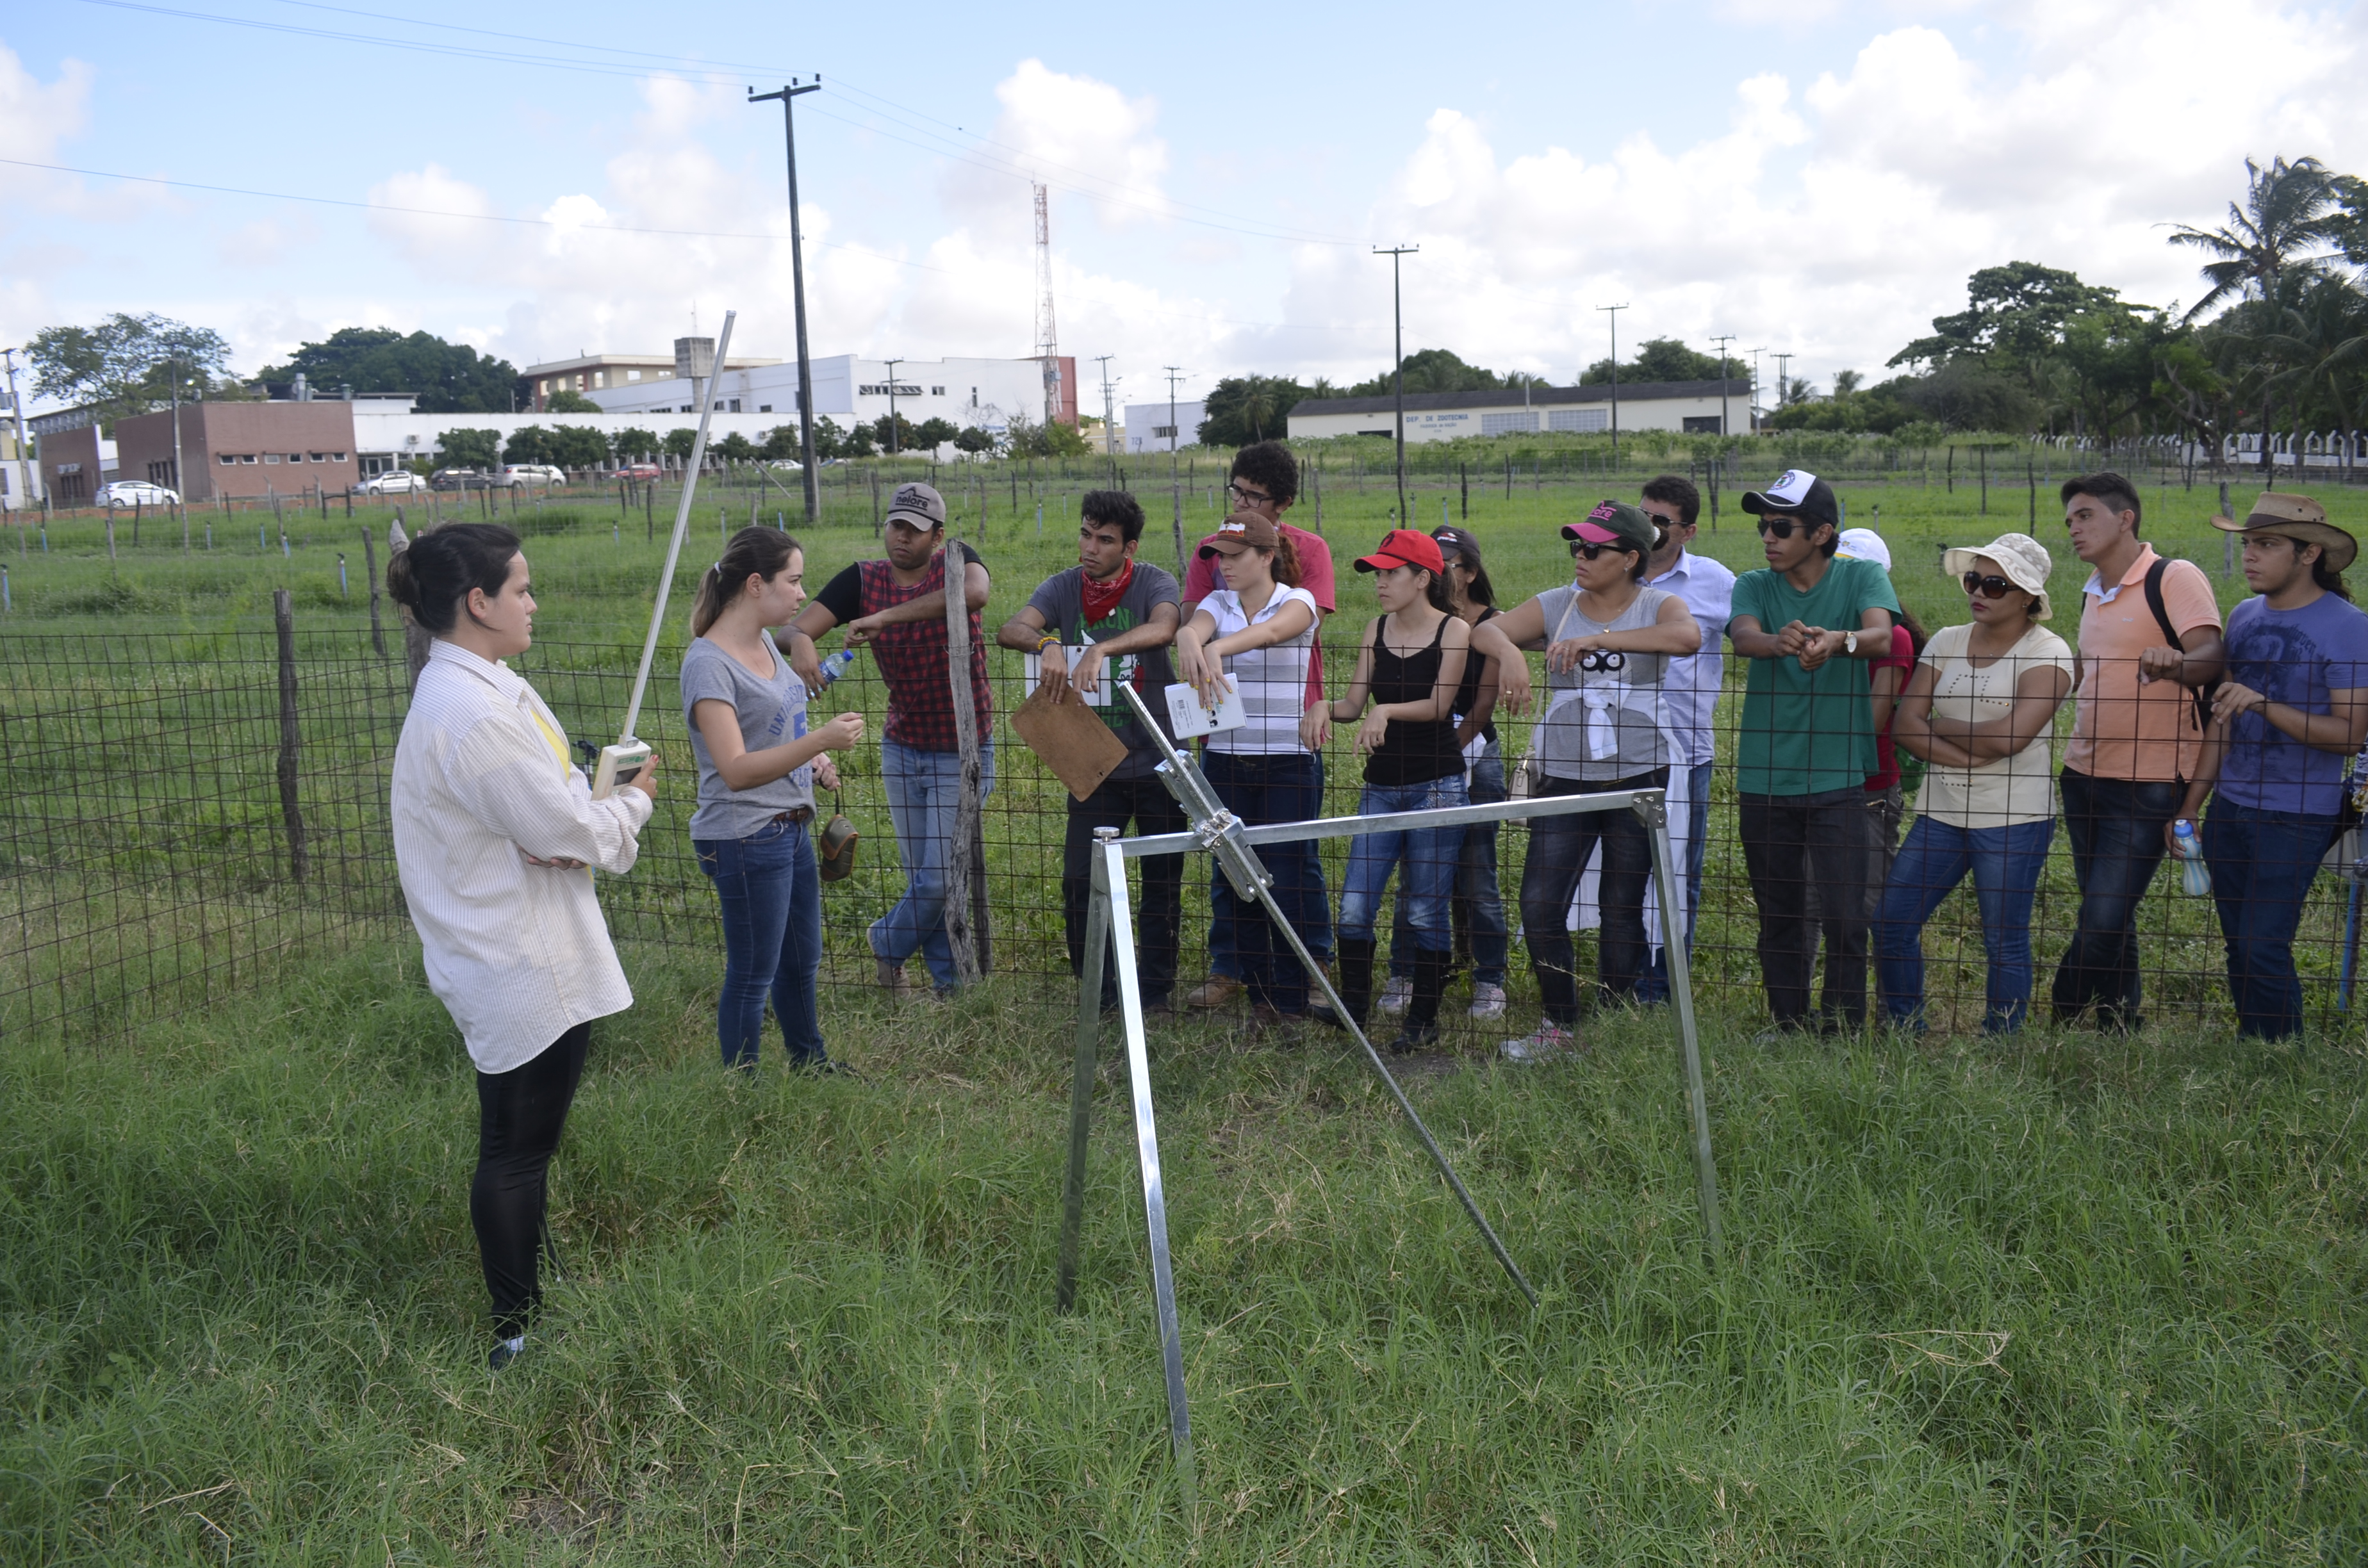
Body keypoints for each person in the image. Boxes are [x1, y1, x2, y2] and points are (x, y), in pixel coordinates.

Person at [387, 523, 660, 1373]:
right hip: (514, 957)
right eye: (523, 588)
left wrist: (576, 819)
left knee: (522, 1143)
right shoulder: (468, 713)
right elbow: (568, 825)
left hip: (523, 941)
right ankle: (516, 1330)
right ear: (479, 602)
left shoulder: (490, 684)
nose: (534, 603)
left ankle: (530, 1291)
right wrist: (633, 804)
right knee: (514, 1148)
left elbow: (554, 811)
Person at [1474, 501, 1701, 1061]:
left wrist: (1602, 641)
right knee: (1539, 903)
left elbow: (1687, 638)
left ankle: (1612, 1025)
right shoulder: (1559, 604)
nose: (1580, 556)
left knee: (1621, 905)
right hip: (1565, 778)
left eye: (1594, 549)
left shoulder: (1657, 603)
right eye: (1576, 546)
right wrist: (1510, 654)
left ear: (1629, 558)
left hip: (1639, 776)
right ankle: (1561, 1023)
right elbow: (1485, 632)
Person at [780, 482, 994, 1000]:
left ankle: (885, 943)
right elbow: (791, 630)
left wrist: (883, 617)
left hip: (961, 748)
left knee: (940, 877)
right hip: (902, 746)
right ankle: (948, 988)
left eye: (914, 531)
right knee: (925, 875)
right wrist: (805, 643)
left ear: (937, 537)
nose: (901, 538)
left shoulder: (957, 563)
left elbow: (975, 594)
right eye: (895, 525)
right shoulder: (864, 577)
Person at [2178, 494, 2368, 1040]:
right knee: (2240, 941)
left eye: (2266, 545)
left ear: (2309, 553)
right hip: (2230, 807)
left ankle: (2282, 1050)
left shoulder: (2350, 627)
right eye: (2247, 545)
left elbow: (2348, 736)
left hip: (2297, 813)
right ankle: (2252, 1043)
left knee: (2264, 944)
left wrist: (2261, 702)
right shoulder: (2242, 615)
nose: (2250, 557)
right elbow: (2222, 718)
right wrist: (2192, 806)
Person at [683, 527, 867, 1072]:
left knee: (800, 960)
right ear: (756, 584)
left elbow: (777, 723)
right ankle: (742, 1090)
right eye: (793, 581)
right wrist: (818, 741)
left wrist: (810, 758)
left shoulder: (764, 641)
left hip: (789, 827)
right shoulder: (707, 664)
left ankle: (809, 1062)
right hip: (742, 835)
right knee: (753, 971)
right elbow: (736, 770)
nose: (801, 594)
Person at [995, 491, 1187, 1015]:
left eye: (1105, 540)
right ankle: (1098, 991)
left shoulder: (1153, 582)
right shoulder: (1062, 586)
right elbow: (1011, 627)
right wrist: (1047, 645)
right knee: (1080, 879)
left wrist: (1101, 647)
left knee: (1161, 882)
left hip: (1158, 759)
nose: (1091, 547)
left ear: (1129, 547)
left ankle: (1155, 992)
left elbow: (1166, 626)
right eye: (1086, 534)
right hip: (1092, 762)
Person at [1724, 470, 1900, 1034]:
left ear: (1822, 533)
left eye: (1782, 525)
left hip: (1838, 780)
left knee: (1848, 915)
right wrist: (1779, 642)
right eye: (1763, 525)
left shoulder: (1862, 577)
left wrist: (1837, 641)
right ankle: (1788, 1022)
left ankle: (1843, 1027)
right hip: (1764, 778)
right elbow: (1743, 635)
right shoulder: (1755, 583)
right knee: (1779, 913)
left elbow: (1881, 635)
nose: (1768, 537)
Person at [2051, 471, 2225, 1031]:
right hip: (2083, 772)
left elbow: (2211, 658)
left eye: (2085, 516)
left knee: (2101, 916)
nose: (2073, 528)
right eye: (2070, 519)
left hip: (2150, 779)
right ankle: (2120, 1019)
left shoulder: (2172, 577)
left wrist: (2175, 661)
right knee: (2111, 910)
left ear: (2125, 519)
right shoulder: (2091, 590)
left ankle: (2060, 1011)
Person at [1879, 534, 2073, 1034]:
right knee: (1893, 921)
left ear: (2028, 597)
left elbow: (2012, 738)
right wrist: (1967, 754)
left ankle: (2001, 1038)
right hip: (1942, 811)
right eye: (1973, 579)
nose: (1978, 591)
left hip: (2014, 819)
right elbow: (1905, 725)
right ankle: (1905, 1028)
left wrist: (1940, 729)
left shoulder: (2049, 652)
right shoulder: (1947, 640)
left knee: (2003, 938)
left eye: (1996, 583)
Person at [1178, 441, 1338, 1012]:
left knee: (1292, 864)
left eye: (1232, 556)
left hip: (1288, 743)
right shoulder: (1218, 595)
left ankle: (1305, 972)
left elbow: (1284, 629)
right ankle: (1246, 978)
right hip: (1225, 745)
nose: (1221, 565)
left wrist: (1218, 645)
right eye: (1237, 492)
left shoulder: (1299, 587)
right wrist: (1190, 638)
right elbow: (1193, 619)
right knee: (1231, 866)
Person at [1316, 528, 1472, 1050]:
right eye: (1377, 573)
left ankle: (1423, 1020)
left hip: (1436, 786)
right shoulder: (1375, 629)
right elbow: (1353, 704)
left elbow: (1437, 705)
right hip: (1380, 788)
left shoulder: (1454, 631)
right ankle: (1354, 1011)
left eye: (1390, 573)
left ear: (1422, 578)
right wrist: (1320, 707)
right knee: (1356, 905)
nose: (1380, 583)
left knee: (1426, 908)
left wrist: (1386, 709)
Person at [1382, 525, 1508, 1021]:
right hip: (1417, 757)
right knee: (1414, 873)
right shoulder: (1409, 623)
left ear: (1470, 573)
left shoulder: (1493, 624)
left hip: (1473, 758)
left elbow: (1482, 706)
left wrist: (1442, 757)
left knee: (1478, 876)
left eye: (1447, 565)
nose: (1436, 573)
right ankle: (1405, 971)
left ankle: (1490, 979)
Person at [1632, 475, 1735, 1006]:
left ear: (1689, 531)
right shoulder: (1608, 570)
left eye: (1660, 520)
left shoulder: (1717, 582)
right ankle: (1622, 979)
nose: (1647, 526)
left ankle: (1667, 986)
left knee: (1678, 876)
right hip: (1621, 755)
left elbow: (1753, 635)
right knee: (1623, 873)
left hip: (1687, 754)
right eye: (1642, 513)